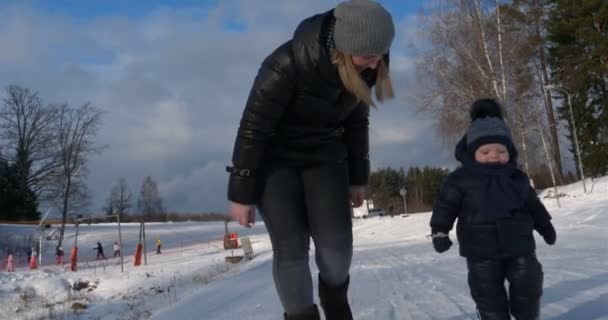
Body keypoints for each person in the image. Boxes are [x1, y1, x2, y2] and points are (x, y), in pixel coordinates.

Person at [227, 1, 395, 319]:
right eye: (368, 55)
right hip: (275, 162)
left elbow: (357, 123)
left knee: (337, 247)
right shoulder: (285, 64)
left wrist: (359, 177)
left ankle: (335, 301)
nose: (375, 64)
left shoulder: (369, 63)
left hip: (326, 158)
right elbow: (253, 127)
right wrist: (241, 193)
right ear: (344, 47)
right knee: (291, 249)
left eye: (380, 53)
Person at [429, 99, 557, 320]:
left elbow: (532, 204)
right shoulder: (460, 179)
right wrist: (440, 231)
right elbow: (445, 205)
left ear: (510, 152)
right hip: (480, 251)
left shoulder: (516, 177)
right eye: (485, 151)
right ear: (472, 153)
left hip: (520, 245)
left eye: (500, 150)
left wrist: (545, 225)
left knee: (529, 281)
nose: (494, 156)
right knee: (488, 294)